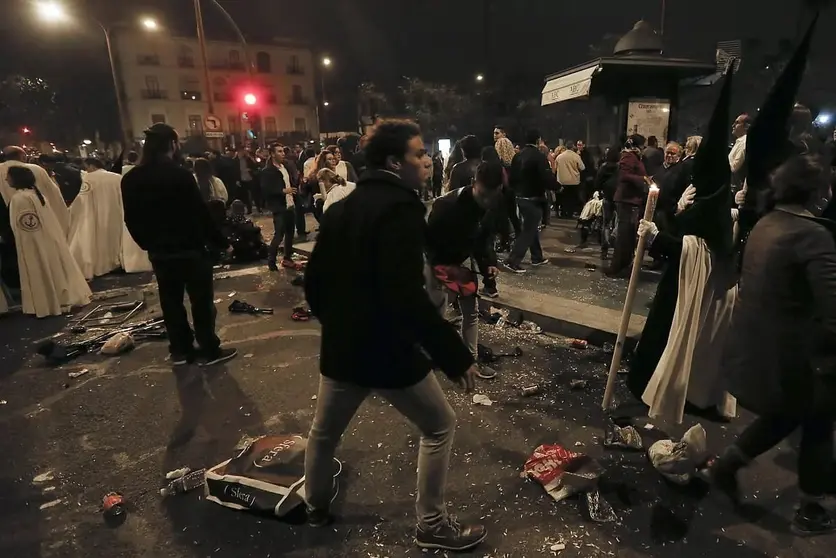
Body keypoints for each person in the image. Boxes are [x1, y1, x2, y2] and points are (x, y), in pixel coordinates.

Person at [303, 119, 486, 551]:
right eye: (418, 154)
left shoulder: (343, 205)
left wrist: (338, 323)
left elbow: (314, 281)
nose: (426, 160)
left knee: (324, 434)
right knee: (440, 426)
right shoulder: (400, 212)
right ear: (392, 163)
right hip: (388, 353)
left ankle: (314, 508)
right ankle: (432, 524)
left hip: (344, 348)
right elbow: (407, 297)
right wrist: (455, 355)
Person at [712, 155, 836, 535]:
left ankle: (727, 465)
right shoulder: (811, 234)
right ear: (818, 192)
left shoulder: (768, 222)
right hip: (797, 354)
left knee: (788, 413)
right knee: (818, 420)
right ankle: (811, 509)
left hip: (762, 347)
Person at [122, 123, 236, 367]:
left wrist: (147, 243)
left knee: (171, 302)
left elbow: (131, 218)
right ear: (172, 145)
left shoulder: (131, 178)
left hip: (160, 252)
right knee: (201, 302)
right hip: (190, 249)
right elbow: (199, 214)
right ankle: (208, 349)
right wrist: (221, 242)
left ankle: (181, 350)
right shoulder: (180, 175)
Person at [426, 161, 503, 378]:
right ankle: (428, 360)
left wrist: (489, 264)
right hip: (440, 264)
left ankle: (471, 361)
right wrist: (443, 274)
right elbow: (429, 243)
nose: (487, 201)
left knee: (471, 311)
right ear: (473, 184)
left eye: (492, 195)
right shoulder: (446, 206)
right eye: (483, 194)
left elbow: (483, 239)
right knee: (436, 316)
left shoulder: (493, 203)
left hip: (462, 264)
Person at [6, 166, 91, 317]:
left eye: (9, 176)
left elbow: (25, 226)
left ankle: (45, 304)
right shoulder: (35, 195)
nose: (6, 180)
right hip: (45, 241)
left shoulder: (20, 199)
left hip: (31, 244)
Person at [503, 129, 554, 273]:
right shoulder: (539, 156)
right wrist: (557, 187)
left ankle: (537, 257)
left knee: (531, 227)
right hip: (534, 198)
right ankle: (513, 260)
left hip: (520, 197)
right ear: (538, 141)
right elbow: (546, 176)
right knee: (529, 230)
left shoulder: (518, 156)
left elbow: (511, 177)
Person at [67, 158, 124, 279]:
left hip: (96, 214)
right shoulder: (117, 177)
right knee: (115, 238)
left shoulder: (89, 178)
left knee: (99, 240)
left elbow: (82, 199)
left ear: (91, 166)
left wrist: (71, 210)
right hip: (115, 212)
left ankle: (104, 264)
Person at [606, 135, 649, 277]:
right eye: (644, 145)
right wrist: (642, 179)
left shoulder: (634, 157)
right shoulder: (629, 156)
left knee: (629, 235)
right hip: (627, 201)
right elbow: (624, 175)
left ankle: (624, 264)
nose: (645, 148)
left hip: (631, 201)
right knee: (624, 236)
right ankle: (616, 267)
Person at [260, 144, 298, 272]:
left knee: (290, 233)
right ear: (272, 154)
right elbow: (266, 190)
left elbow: (290, 182)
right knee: (279, 235)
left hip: (290, 204)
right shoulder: (267, 171)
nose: (283, 154)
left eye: (283, 151)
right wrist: (283, 191)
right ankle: (271, 261)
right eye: (279, 151)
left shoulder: (285, 167)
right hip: (279, 206)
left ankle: (287, 257)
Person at [595, 148, 620, 260]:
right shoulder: (621, 168)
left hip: (607, 197)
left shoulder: (604, 167)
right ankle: (614, 242)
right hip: (619, 197)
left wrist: (600, 191)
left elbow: (597, 181)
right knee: (618, 222)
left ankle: (604, 249)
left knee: (606, 223)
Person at [555, 143, 586, 218]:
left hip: (562, 181)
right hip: (574, 180)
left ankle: (563, 213)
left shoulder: (559, 157)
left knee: (563, 198)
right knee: (571, 198)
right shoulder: (576, 156)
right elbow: (582, 167)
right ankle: (570, 213)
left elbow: (555, 168)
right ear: (573, 147)